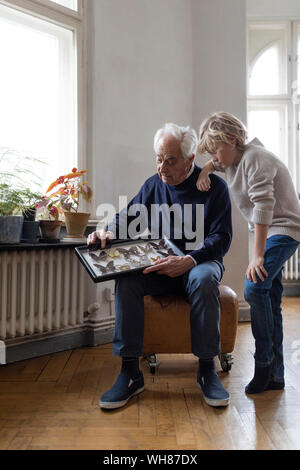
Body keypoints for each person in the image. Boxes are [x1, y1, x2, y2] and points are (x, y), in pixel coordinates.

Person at [88, 123, 232, 409]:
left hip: (200, 263)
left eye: (170, 160)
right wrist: (107, 231)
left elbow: (222, 237)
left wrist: (189, 260)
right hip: (162, 266)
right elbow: (127, 218)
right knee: (126, 277)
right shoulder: (154, 185)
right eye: (158, 158)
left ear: (190, 160)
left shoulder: (215, 188)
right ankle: (130, 372)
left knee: (203, 280)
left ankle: (206, 370)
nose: (161, 167)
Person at [196, 111, 300, 394]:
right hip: (267, 232)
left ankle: (263, 364)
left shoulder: (256, 158)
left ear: (231, 140)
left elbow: (263, 209)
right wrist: (206, 170)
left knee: (254, 289)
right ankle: (276, 375)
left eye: (216, 149)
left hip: (284, 229)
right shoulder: (232, 159)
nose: (215, 158)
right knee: (270, 296)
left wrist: (257, 257)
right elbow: (215, 163)